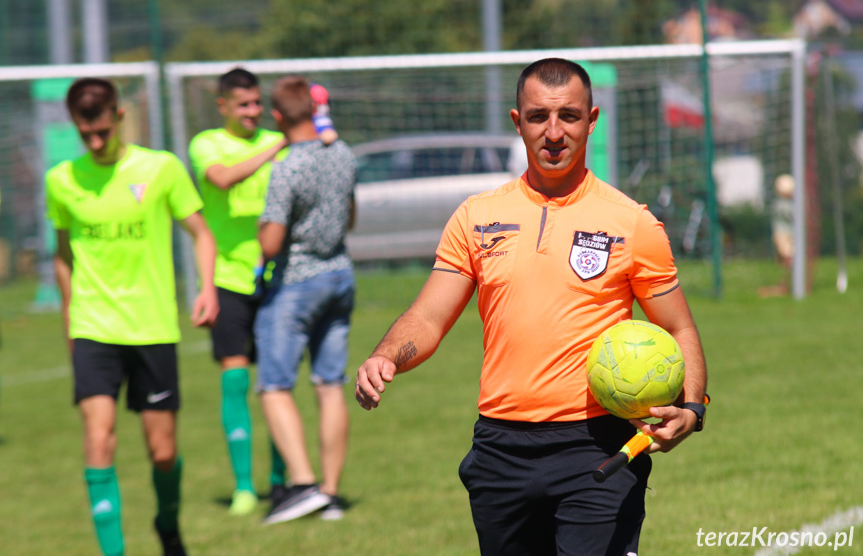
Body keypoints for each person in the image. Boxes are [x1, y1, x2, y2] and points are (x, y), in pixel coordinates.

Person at [355, 58, 708, 555]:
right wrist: (386, 355)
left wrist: (693, 407)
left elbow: (679, 329)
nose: (555, 131)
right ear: (518, 122)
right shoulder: (476, 217)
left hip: (597, 446)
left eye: (569, 115)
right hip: (500, 450)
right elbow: (429, 316)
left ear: (592, 119)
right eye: (539, 116)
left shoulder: (632, 223)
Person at [46, 77, 219, 556]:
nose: (95, 142)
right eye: (86, 135)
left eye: (102, 131)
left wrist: (206, 287)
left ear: (120, 116)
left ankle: (168, 524)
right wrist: (69, 322)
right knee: (98, 442)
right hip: (93, 327)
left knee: (163, 452)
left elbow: (201, 233)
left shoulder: (160, 169)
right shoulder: (61, 180)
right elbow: (63, 257)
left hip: (152, 327)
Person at [187, 67, 291, 516]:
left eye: (256, 103)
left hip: (275, 278)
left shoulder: (275, 143)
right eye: (242, 104)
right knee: (235, 379)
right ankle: (244, 486)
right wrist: (278, 147)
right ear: (223, 106)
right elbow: (222, 178)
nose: (251, 112)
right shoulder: (206, 143)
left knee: (277, 382)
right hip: (227, 280)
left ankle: (281, 480)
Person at [256, 75, 357, 525]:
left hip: (296, 283)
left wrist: (260, 233)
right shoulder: (342, 153)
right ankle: (332, 493)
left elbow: (273, 242)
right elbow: (350, 215)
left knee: (275, 386)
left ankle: (301, 484)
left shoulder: (287, 167)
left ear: (277, 118)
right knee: (329, 384)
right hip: (339, 274)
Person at [760, 174, 795, 297]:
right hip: (783, 234)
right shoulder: (782, 204)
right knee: (787, 256)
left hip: (789, 235)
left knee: (788, 257)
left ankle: (787, 282)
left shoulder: (788, 203)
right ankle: (785, 282)